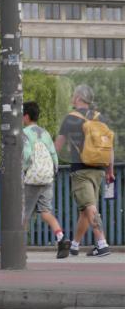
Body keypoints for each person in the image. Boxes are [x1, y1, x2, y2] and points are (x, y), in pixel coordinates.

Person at [55, 84, 115, 257]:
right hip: (99, 170)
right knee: (85, 209)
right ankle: (75, 245)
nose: (72, 98)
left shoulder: (70, 118)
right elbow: (109, 146)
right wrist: (110, 170)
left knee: (89, 207)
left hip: (81, 171)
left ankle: (102, 244)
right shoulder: (100, 117)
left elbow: (57, 147)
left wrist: (47, 163)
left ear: (78, 98)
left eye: (74, 95)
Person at [21, 101, 68, 257]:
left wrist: (24, 169)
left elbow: (27, 155)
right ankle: (61, 238)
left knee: (24, 214)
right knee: (46, 212)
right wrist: (54, 170)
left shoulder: (25, 133)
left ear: (26, 116)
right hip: (47, 178)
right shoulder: (45, 133)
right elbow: (53, 154)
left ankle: (20, 249)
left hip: (32, 179)